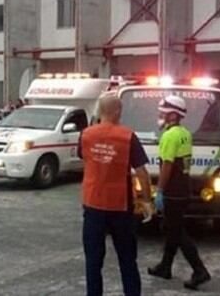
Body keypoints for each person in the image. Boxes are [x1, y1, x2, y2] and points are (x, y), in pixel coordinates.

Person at [79, 93, 151, 296]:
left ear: (100, 111)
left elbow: (85, 158)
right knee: (127, 260)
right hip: (120, 206)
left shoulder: (86, 135)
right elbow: (142, 172)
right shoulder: (128, 137)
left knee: (93, 262)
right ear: (118, 111)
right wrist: (146, 201)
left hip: (93, 205)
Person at [148, 95, 211, 290]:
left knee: (177, 231)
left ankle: (200, 271)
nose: (160, 114)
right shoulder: (185, 133)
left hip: (172, 191)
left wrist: (159, 190)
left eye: (164, 112)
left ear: (173, 114)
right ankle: (165, 267)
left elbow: (167, 165)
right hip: (183, 187)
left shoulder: (169, 136)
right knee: (171, 229)